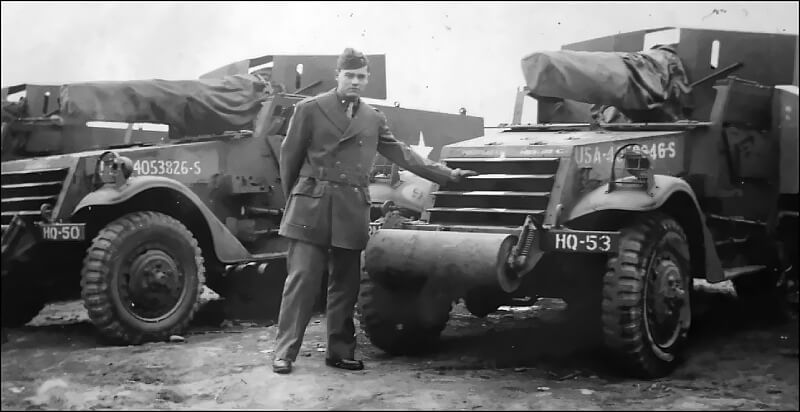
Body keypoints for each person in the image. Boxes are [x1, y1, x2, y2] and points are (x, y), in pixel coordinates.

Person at [272, 47, 477, 374]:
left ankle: (339, 351)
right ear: (338, 75)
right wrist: (297, 197)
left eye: (361, 77)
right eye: (349, 75)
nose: (355, 81)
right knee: (302, 281)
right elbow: (289, 159)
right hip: (311, 204)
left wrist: (446, 174)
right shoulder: (309, 109)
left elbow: (404, 155)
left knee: (346, 285)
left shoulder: (372, 118)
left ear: (366, 80)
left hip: (351, 207)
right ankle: (284, 353)